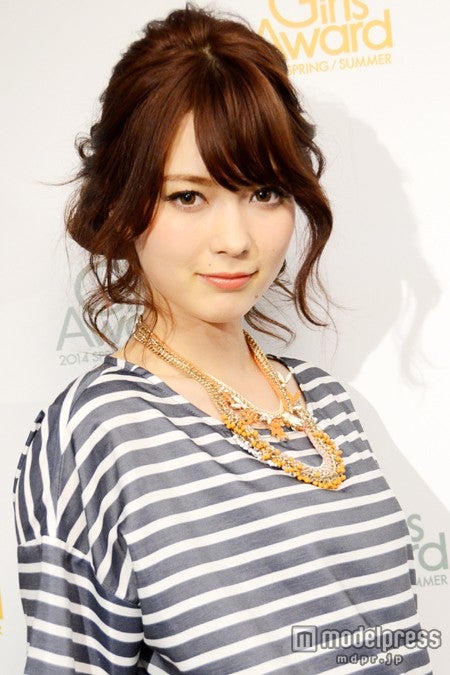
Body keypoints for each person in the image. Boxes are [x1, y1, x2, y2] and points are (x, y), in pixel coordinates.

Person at [13, 5, 432, 674]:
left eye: (264, 192)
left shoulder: (327, 404)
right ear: (123, 202)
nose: (235, 240)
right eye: (189, 196)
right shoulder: (94, 436)